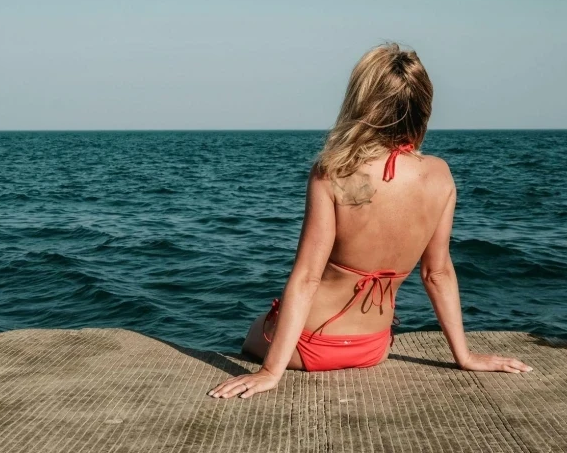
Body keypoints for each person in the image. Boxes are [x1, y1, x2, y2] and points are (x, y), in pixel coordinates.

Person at [208, 43, 532, 400]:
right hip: (373, 348)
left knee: (255, 329)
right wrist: (465, 357)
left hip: (310, 347)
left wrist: (271, 372)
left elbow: (307, 278)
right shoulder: (440, 175)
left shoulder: (335, 172)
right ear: (424, 107)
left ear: (361, 102)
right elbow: (436, 274)